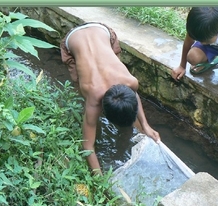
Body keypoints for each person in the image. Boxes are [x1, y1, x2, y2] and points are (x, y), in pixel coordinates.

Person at [60, 22, 160, 175]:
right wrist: (100, 180)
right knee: (79, 87)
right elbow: (87, 147)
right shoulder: (93, 96)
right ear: (103, 110)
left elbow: (133, 95)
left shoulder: (131, 82)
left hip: (103, 31)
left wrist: (145, 125)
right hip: (72, 41)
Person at [171, 7, 218, 123]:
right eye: (199, 39)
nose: (201, 43)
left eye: (204, 41)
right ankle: (212, 61)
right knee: (192, 57)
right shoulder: (199, 24)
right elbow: (189, 42)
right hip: (213, 44)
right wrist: (182, 66)